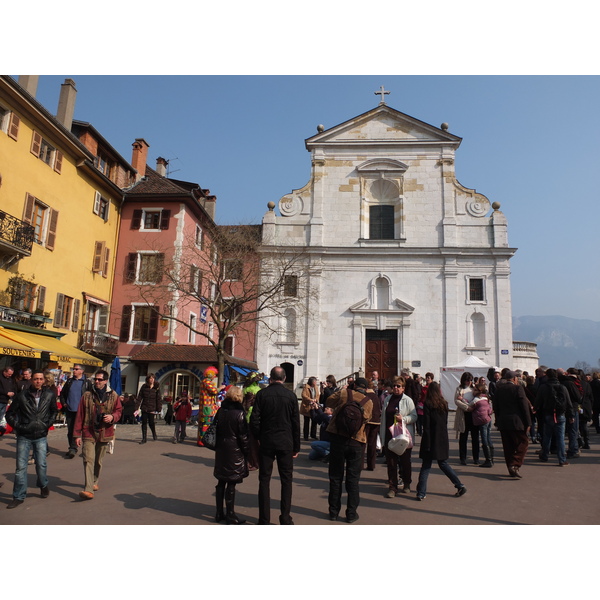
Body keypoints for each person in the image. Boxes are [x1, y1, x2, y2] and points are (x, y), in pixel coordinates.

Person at [250, 366, 300, 525]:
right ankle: (285, 517)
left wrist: (258, 437)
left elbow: (254, 420)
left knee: (264, 479)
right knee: (286, 480)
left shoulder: (262, 394)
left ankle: (264, 519)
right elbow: (295, 424)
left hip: (267, 441)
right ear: (284, 378)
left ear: (271, 378)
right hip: (285, 442)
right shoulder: (291, 396)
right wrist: (296, 447)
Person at [5, 370, 57, 509]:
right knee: (20, 468)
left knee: (41, 465)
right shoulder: (22, 396)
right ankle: (18, 496)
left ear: (44, 380)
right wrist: (18, 426)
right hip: (24, 436)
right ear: (31, 380)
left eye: (40, 379)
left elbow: (54, 411)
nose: (38, 381)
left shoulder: (49, 395)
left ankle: (43, 484)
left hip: (40, 435)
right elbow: (10, 413)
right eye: (35, 379)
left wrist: (46, 424)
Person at [325, 377, 373, 523]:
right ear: (366, 388)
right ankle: (351, 514)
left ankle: (333, 512)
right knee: (353, 480)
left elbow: (328, 402)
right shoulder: (368, 402)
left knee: (335, 477)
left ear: (354, 385)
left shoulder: (344, 393)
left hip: (338, 439)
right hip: (356, 442)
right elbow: (366, 420)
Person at [73, 370, 122, 500]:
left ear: (106, 381)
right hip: (88, 430)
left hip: (105, 431)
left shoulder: (113, 395)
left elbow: (119, 411)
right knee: (88, 459)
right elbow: (80, 415)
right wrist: (76, 435)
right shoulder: (87, 395)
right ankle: (88, 489)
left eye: (100, 380)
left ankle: (94, 481)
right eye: (96, 379)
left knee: (98, 461)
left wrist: (112, 417)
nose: (97, 382)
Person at [415, 382, 466, 500]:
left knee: (426, 466)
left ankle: (421, 492)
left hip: (431, 437)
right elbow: (445, 422)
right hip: (442, 437)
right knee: (443, 463)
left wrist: (426, 442)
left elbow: (427, 425)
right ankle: (459, 485)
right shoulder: (444, 404)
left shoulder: (428, 404)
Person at [213, 386, 249, 524]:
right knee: (232, 482)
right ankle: (231, 514)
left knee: (221, 480)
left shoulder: (221, 411)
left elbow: (216, 427)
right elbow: (243, 436)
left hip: (221, 448)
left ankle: (219, 512)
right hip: (234, 450)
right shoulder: (239, 413)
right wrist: (247, 451)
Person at [380, 376, 417, 496]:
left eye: (398, 386)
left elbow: (414, 416)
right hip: (390, 435)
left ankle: (406, 483)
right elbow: (384, 417)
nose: (396, 388)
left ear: (403, 388)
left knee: (405, 461)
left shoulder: (408, 400)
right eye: (394, 386)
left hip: (403, 436)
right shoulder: (388, 399)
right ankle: (392, 487)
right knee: (391, 462)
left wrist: (404, 419)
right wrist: (382, 436)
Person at [493, 370, 531, 478]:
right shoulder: (518, 388)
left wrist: (497, 420)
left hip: (503, 421)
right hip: (517, 421)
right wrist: (528, 422)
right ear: (515, 379)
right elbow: (524, 406)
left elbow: (496, 407)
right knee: (523, 441)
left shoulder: (499, 390)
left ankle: (510, 467)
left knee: (508, 446)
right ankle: (515, 464)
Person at [534, 368, 573, 466]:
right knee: (560, 438)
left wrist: (535, 409)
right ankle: (561, 459)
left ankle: (545, 455)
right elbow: (568, 402)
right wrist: (571, 415)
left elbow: (538, 400)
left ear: (547, 376)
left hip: (548, 414)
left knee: (547, 436)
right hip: (560, 414)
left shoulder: (543, 387)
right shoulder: (562, 387)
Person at [59, 364, 93, 459]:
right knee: (71, 431)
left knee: (85, 430)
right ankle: (72, 448)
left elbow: (92, 396)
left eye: (76, 369)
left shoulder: (87, 383)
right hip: (70, 410)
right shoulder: (69, 381)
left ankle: (85, 449)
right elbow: (62, 394)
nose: (74, 371)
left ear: (81, 371)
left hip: (83, 411)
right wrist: (64, 404)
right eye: (73, 369)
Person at [454, 371, 480, 465]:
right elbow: (456, 401)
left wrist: (473, 406)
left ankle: (476, 458)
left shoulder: (474, 388)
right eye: (467, 380)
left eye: (470, 380)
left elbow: (480, 396)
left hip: (474, 415)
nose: (469, 382)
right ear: (463, 380)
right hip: (463, 415)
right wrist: (467, 407)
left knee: (475, 438)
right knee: (463, 437)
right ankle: (463, 458)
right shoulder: (459, 388)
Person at [470, 382, 494, 467]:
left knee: (484, 439)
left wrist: (463, 399)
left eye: (475, 390)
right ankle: (492, 457)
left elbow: (470, 406)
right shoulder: (486, 398)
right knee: (488, 438)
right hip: (488, 419)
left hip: (482, 420)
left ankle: (488, 460)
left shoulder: (476, 399)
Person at [135, 373, 162, 444]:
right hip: (144, 407)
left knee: (151, 423)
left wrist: (159, 408)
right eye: (150, 378)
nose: (152, 379)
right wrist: (136, 407)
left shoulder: (156, 387)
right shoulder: (144, 387)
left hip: (152, 407)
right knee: (144, 423)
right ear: (148, 379)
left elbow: (158, 399)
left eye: (153, 378)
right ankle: (144, 438)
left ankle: (154, 433)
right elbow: (139, 397)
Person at [363, 383, 381, 471]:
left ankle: (360, 463)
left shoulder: (365, 396)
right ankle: (371, 464)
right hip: (376, 421)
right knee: (372, 444)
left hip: (367, 421)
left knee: (362, 443)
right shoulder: (376, 397)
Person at [0, 366, 17, 431]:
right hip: (0, 399)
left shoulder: (10, 379)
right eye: (9, 374)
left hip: (5, 400)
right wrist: (6, 393)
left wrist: (13, 393)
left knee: (1, 416)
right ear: (5, 371)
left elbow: (13, 387)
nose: (10, 375)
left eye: (11, 374)